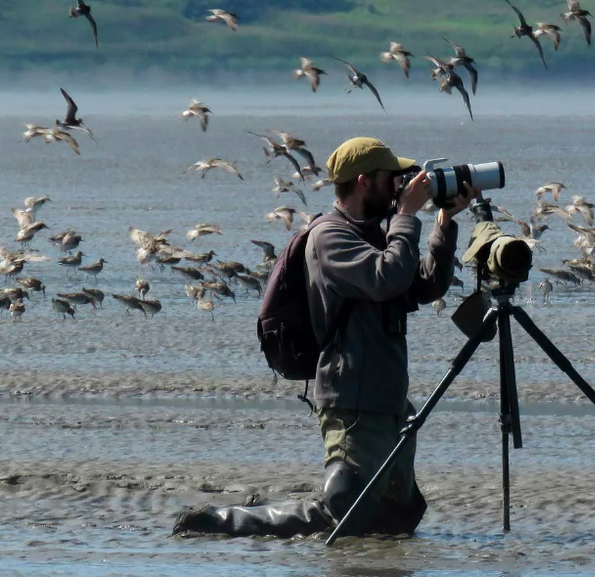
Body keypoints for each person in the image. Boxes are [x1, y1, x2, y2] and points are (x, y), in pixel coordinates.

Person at [174, 137, 469, 538]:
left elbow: (423, 285)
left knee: (396, 514)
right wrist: (407, 217)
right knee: (346, 509)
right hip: (352, 396)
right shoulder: (330, 237)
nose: (400, 186)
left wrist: (444, 223)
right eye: (392, 178)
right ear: (364, 182)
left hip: (387, 395)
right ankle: (221, 522)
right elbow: (385, 279)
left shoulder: (375, 236)